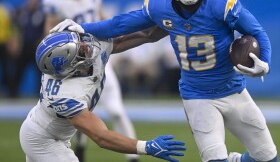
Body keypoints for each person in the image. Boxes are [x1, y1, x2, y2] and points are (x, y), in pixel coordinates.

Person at [51, 0, 279, 162]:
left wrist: (265, 62)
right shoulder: (160, 5)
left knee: (268, 157)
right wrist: (83, 27)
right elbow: (120, 24)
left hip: (234, 90)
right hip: (197, 96)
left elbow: (256, 31)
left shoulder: (222, 2)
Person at [19, 30, 185, 162]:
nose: (86, 46)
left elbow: (142, 35)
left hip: (51, 131)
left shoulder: (73, 60)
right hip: (42, 139)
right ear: (69, 67)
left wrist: (169, 24)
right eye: (79, 51)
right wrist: (146, 146)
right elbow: (101, 137)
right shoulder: (64, 95)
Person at [42, 0, 140, 162]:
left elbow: (103, 19)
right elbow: (49, 34)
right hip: (76, 65)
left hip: (101, 58)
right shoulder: (54, 2)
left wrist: (114, 41)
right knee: (78, 113)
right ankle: (80, 145)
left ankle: (133, 158)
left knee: (116, 111)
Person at [12, 0, 45, 98]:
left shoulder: (41, 14)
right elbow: (16, 28)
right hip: (24, 46)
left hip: (36, 46)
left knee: (39, 72)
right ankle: (13, 92)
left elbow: (44, 30)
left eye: (35, 0)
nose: (32, 2)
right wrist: (16, 42)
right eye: (31, 0)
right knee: (19, 70)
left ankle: (39, 93)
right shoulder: (22, 12)